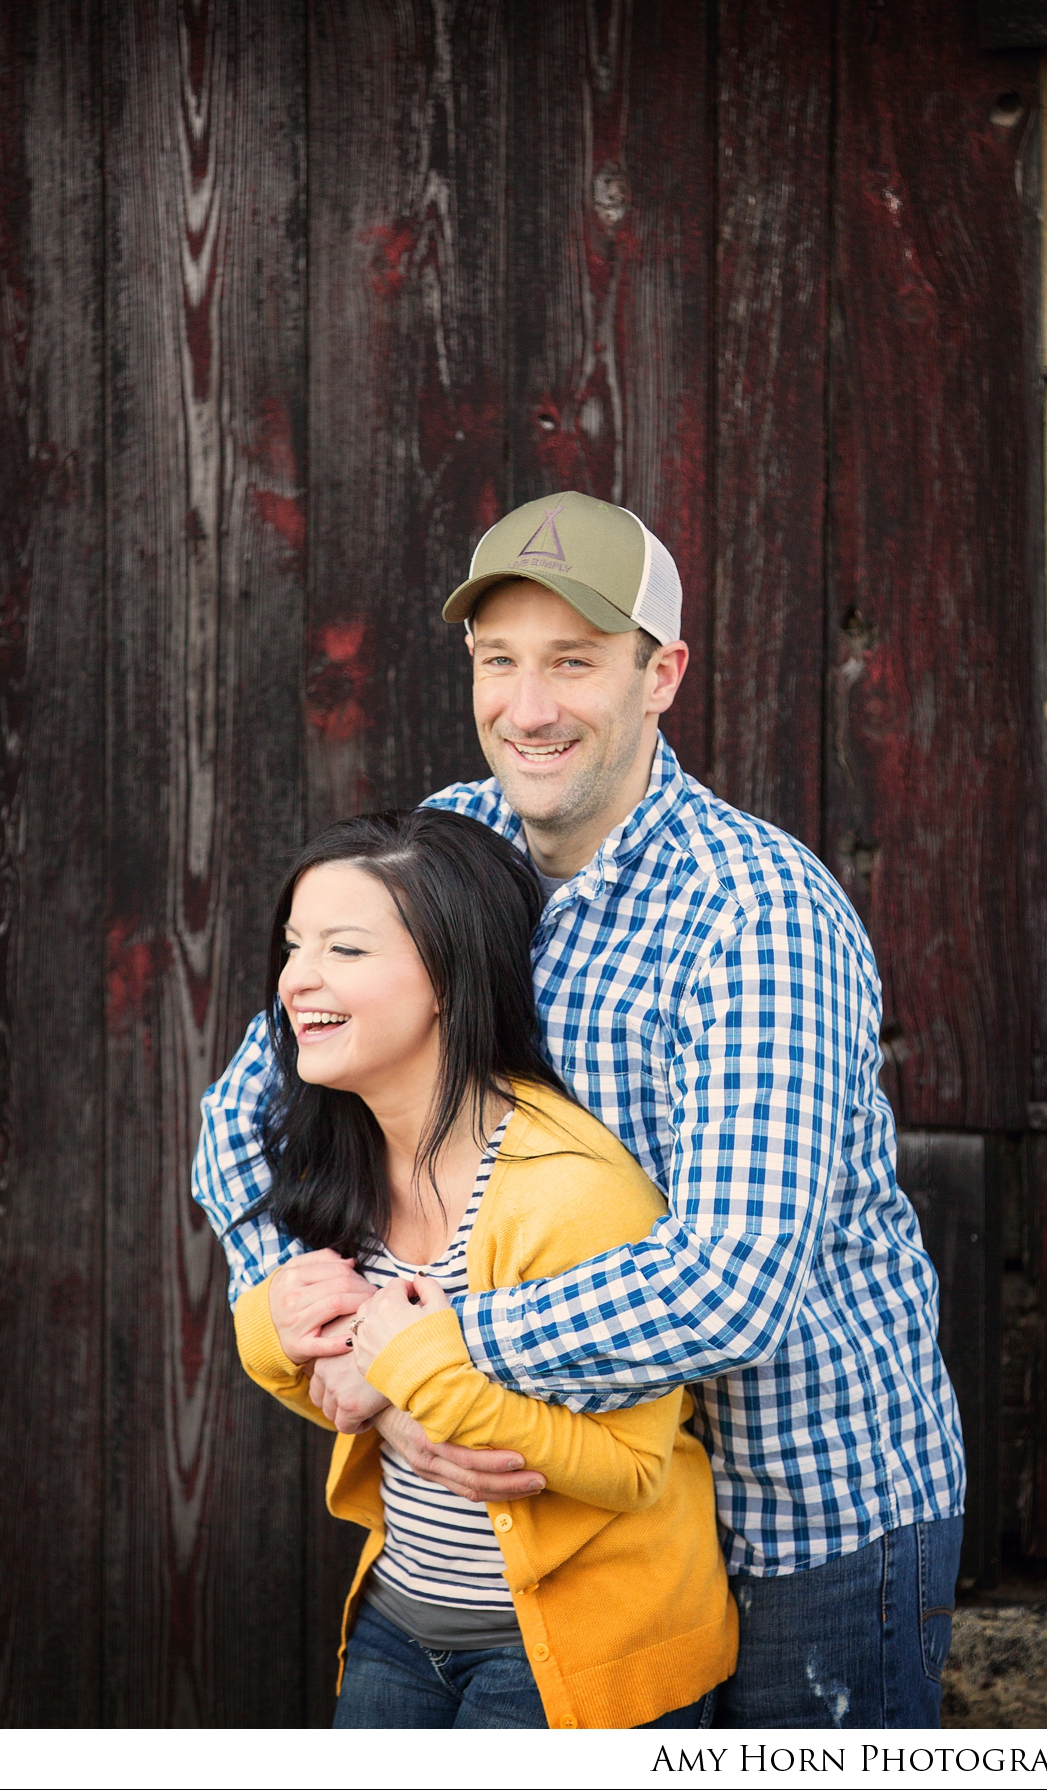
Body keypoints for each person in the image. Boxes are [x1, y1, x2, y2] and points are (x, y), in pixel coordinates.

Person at [193, 492, 966, 1729]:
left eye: (574, 660)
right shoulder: (446, 851)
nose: (529, 704)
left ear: (661, 674)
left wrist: (423, 1356)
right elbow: (247, 1111)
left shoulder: (756, 915)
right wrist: (310, 1311)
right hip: (569, 1522)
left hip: (798, 1515)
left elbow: (728, 1279)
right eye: (500, 659)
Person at [237, 809, 732, 1728]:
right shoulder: (341, 1144)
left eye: (344, 950)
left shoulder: (570, 1192)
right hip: (398, 1621)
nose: (298, 979)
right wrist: (275, 1325)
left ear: (449, 982)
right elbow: (344, 1385)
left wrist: (414, 1369)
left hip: (569, 1652)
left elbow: (631, 1470)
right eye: (294, 945)